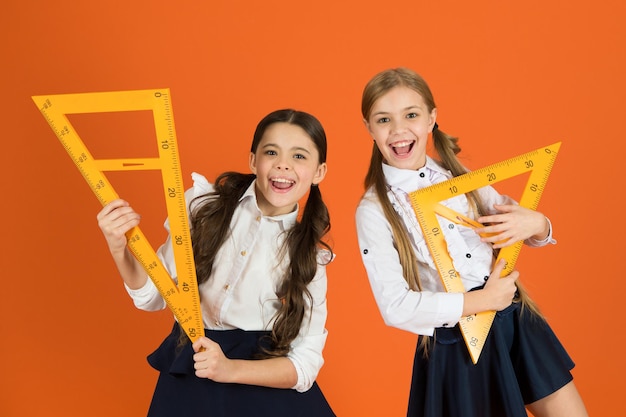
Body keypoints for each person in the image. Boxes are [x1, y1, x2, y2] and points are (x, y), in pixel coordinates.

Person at [355, 67, 588, 417]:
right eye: (384, 119)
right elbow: (396, 307)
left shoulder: (460, 178)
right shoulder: (374, 210)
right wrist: (482, 299)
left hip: (514, 319)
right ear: (369, 128)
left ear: (432, 118)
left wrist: (538, 224)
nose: (399, 130)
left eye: (412, 115)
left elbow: (518, 226)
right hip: (460, 341)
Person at [97, 109, 336, 416]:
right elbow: (153, 296)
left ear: (319, 172)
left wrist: (228, 369)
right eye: (271, 151)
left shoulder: (310, 258)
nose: (283, 164)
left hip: (261, 388)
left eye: (300, 156)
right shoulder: (204, 209)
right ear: (253, 161)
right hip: (191, 374)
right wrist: (119, 248)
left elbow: (305, 365)